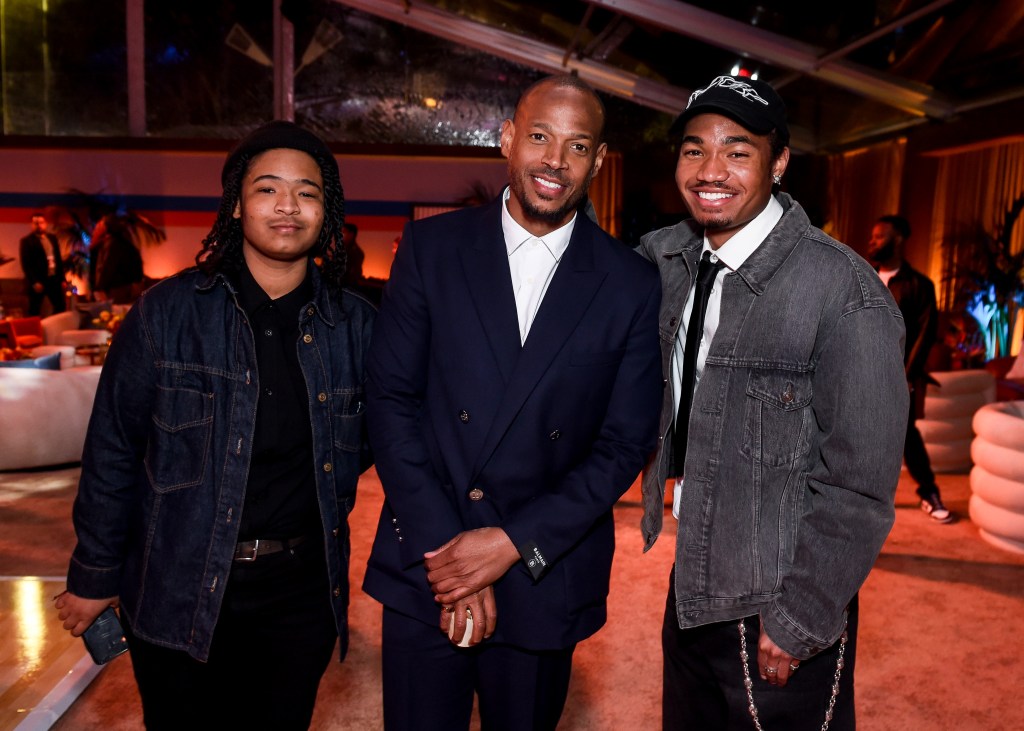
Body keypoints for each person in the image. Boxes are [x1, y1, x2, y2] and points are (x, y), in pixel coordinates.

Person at [362, 74, 663, 731]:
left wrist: (510, 544)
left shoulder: (630, 283)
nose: (555, 159)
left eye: (577, 145)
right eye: (539, 137)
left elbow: (623, 443)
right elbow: (389, 400)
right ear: (506, 140)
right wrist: (453, 556)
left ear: (599, 160)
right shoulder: (432, 249)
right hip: (429, 558)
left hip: (541, 569)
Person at [54, 120, 376, 731]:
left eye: (307, 192)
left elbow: (369, 442)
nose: (288, 205)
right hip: (179, 579)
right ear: (236, 204)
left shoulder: (357, 327)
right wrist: (94, 574)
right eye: (267, 189)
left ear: (325, 211)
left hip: (298, 594)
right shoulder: (167, 313)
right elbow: (114, 451)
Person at [635, 75, 908, 730]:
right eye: (694, 149)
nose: (710, 170)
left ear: (779, 161)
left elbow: (860, 485)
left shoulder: (843, 290)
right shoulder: (667, 260)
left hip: (776, 603)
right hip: (691, 585)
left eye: (737, 149)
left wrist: (801, 616)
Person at [869, 214, 952, 523]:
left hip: (897, 375)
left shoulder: (920, 286)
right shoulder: (863, 276)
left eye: (879, 236)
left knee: (906, 435)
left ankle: (928, 491)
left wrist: (905, 377)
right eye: (872, 236)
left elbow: (926, 333)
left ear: (898, 240)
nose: (872, 241)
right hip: (857, 371)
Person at [89, 214, 145, 303]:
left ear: (106, 227)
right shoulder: (116, 243)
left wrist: (99, 288)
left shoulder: (114, 244)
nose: (96, 228)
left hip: (118, 289)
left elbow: (108, 268)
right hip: (120, 288)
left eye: (99, 225)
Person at [19, 211, 66, 315]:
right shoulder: (27, 241)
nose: (39, 225)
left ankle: (56, 327)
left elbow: (58, 258)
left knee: (60, 306)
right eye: (36, 223)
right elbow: (26, 263)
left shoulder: (52, 238)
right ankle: (33, 329)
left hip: (53, 278)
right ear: (31, 225)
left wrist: (62, 278)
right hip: (39, 279)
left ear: (46, 224)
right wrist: (34, 281)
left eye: (41, 222)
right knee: (34, 309)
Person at [341, 222, 365, 288]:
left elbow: (353, 274)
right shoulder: (341, 249)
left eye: (343, 232)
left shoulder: (356, 252)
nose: (340, 234)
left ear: (351, 234)